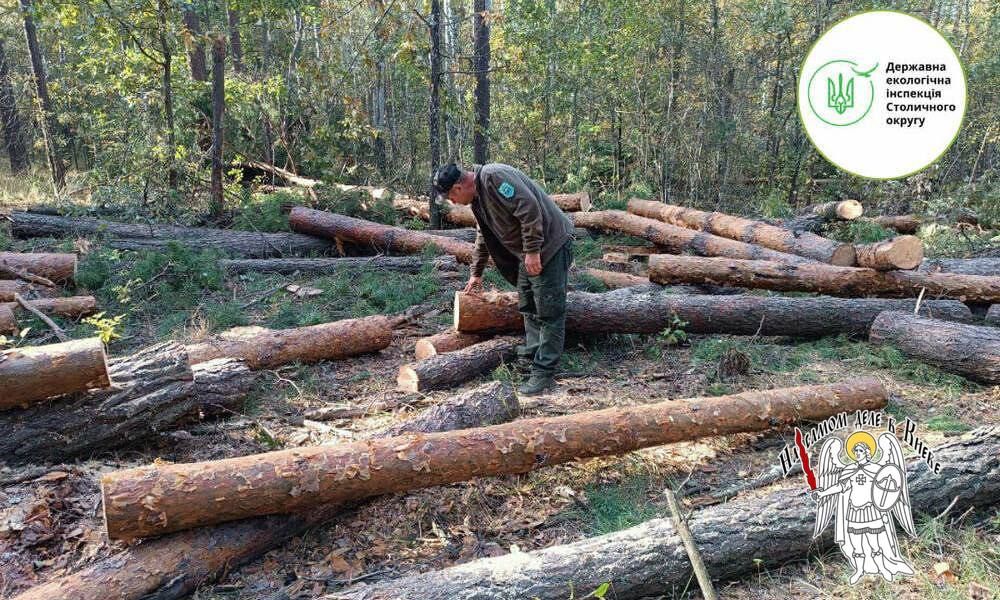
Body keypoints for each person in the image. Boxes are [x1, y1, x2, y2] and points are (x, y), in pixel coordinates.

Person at [432, 162, 574, 395]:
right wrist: (475, 273)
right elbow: (483, 235)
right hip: (531, 251)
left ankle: (544, 373)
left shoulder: (494, 178)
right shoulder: (478, 200)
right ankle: (531, 358)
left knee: (549, 310)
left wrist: (532, 251)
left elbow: (529, 209)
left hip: (550, 246)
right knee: (528, 305)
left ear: (458, 187)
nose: (453, 203)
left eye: (450, 197)